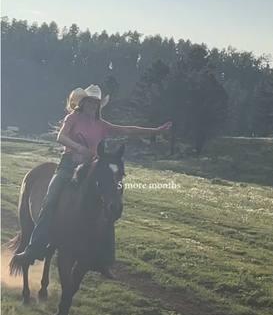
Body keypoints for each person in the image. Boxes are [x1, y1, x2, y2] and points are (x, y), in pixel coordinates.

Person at [14, 84, 172, 269]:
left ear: (98, 105)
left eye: (95, 103)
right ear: (83, 102)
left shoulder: (102, 125)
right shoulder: (73, 117)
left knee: (108, 207)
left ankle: (104, 260)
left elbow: (127, 130)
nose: (92, 105)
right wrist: (79, 147)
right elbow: (60, 137)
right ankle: (34, 248)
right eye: (89, 102)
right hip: (68, 165)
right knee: (50, 200)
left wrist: (155, 131)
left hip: (90, 168)